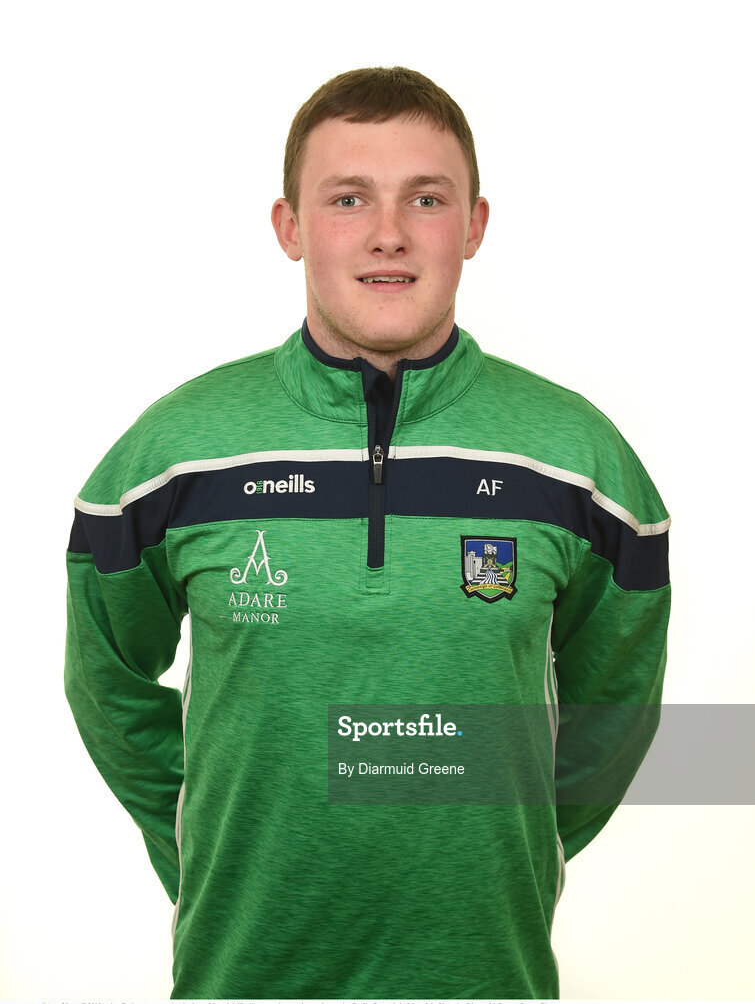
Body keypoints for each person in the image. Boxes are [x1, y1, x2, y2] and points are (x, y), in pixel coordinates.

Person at [65, 66, 671, 999]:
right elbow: (104, 676)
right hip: (244, 971)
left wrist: (526, 837)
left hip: (485, 973)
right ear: (290, 226)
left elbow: (615, 704)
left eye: (425, 199)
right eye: (348, 198)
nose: (388, 233)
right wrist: (196, 826)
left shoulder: (579, 461)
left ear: (471, 224)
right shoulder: (172, 454)